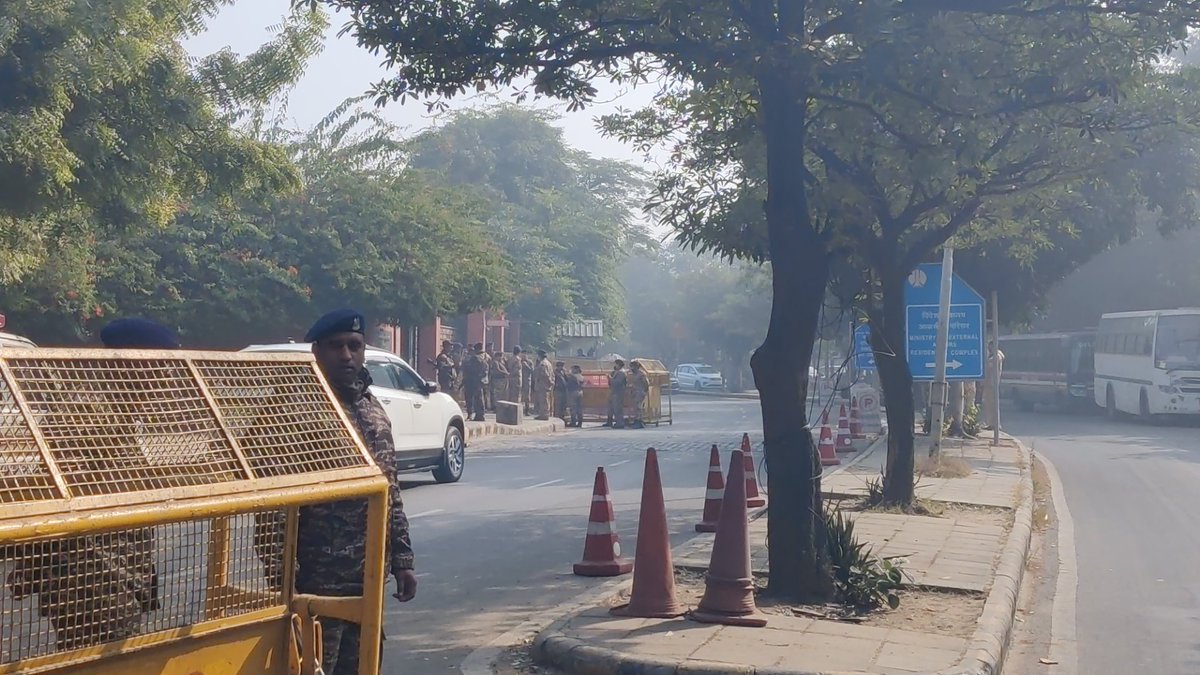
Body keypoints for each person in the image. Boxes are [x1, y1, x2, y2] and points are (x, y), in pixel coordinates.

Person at [5, 318, 170, 650]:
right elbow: (58, 487)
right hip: (89, 575)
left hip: (116, 570)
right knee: (98, 655)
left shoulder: (119, 407)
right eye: (161, 366)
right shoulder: (88, 406)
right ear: (131, 361)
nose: (165, 378)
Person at [299, 309, 417, 674]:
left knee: (364, 665)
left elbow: (390, 490)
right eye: (336, 346)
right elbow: (270, 504)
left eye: (355, 346)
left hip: (368, 576)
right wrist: (282, 576)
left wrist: (403, 560)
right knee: (316, 667)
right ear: (317, 351)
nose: (347, 355)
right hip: (317, 581)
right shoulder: (297, 407)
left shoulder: (372, 408)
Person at [462, 344, 488, 422]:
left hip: (471, 381)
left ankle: (473, 414)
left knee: (471, 398)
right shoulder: (485, 357)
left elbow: (468, 369)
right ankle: (480, 415)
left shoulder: (474, 358)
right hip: (479, 381)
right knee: (479, 398)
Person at [531, 350, 554, 420]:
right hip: (546, 385)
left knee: (543, 400)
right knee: (545, 400)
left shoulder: (542, 364)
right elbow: (552, 374)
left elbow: (545, 374)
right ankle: (544, 414)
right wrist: (552, 381)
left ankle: (544, 415)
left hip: (542, 385)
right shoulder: (549, 363)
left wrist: (549, 381)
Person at [629, 360, 650, 429]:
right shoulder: (634, 374)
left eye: (632, 367)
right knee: (636, 407)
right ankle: (637, 420)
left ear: (636, 367)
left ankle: (639, 421)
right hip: (635, 392)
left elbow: (646, 383)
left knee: (638, 407)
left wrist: (644, 391)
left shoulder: (641, 374)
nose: (631, 368)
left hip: (640, 392)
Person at [606, 359, 627, 429]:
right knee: (612, 407)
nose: (614, 365)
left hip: (618, 392)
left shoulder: (621, 373)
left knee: (617, 408)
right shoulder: (616, 372)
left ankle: (620, 423)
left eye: (615, 364)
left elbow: (618, 383)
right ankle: (610, 421)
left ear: (619, 365)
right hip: (614, 392)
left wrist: (610, 378)